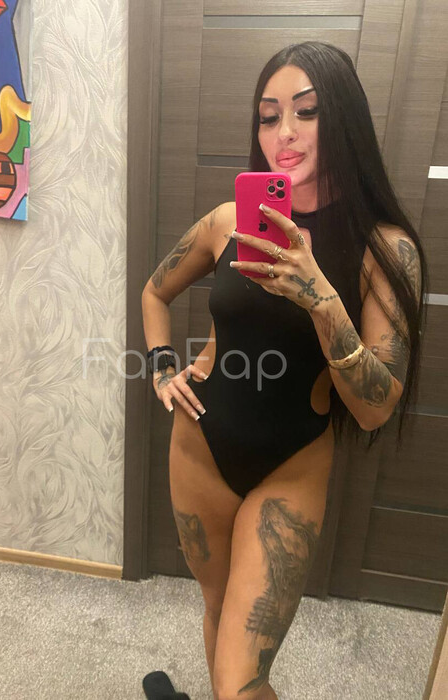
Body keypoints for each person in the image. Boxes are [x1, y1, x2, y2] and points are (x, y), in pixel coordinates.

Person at [141, 41, 428, 700]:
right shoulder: (227, 223)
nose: (284, 133)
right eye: (268, 117)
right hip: (199, 446)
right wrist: (160, 367)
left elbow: (375, 408)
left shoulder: (385, 250)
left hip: (292, 465)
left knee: (243, 680)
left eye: (306, 111)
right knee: (217, 611)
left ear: (344, 119)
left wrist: (319, 295)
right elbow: (154, 292)